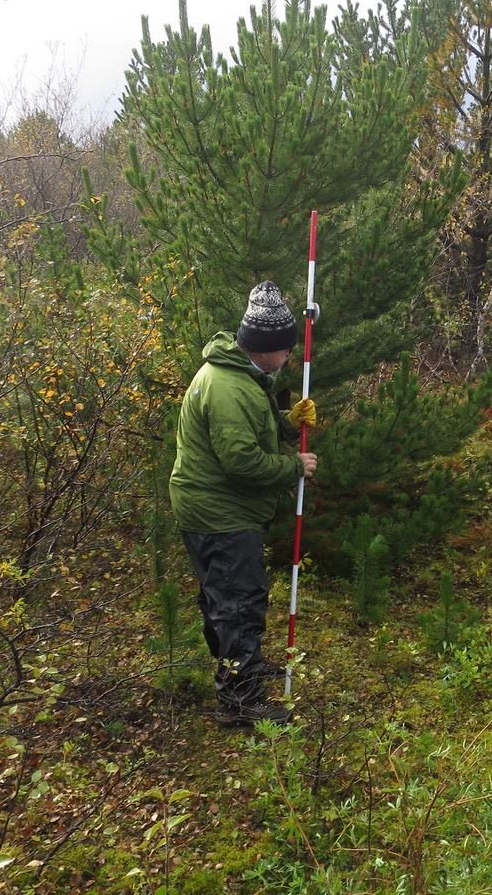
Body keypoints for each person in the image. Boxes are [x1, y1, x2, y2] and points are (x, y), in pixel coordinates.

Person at [169, 280, 319, 728]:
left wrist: (286, 423)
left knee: (226, 597)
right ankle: (239, 701)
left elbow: (248, 430)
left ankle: (242, 665)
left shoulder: (238, 374)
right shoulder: (229, 386)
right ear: (266, 347)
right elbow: (241, 461)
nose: (290, 354)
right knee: (239, 602)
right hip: (219, 511)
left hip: (210, 505)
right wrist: (293, 466)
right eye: (286, 347)